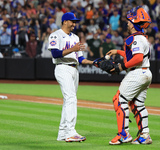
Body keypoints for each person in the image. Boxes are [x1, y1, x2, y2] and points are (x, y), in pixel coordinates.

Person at [106, 6, 152, 145]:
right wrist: (117, 52)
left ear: (133, 23)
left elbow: (137, 58)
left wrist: (120, 67)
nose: (127, 23)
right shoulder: (142, 38)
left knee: (119, 100)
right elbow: (134, 55)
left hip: (137, 72)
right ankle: (145, 135)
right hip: (145, 72)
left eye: (129, 21)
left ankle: (123, 135)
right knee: (137, 104)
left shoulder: (136, 38)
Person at [48, 12, 95, 142]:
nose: (74, 23)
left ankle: (62, 133)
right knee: (71, 98)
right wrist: (73, 49)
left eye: (75, 21)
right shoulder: (55, 35)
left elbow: (80, 58)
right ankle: (71, 132)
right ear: (64, 21)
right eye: (72, 21)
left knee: (68, 101)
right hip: (62, 68)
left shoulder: (75, 37)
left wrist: (94, 62)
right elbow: (55, 54)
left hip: (74, 69)